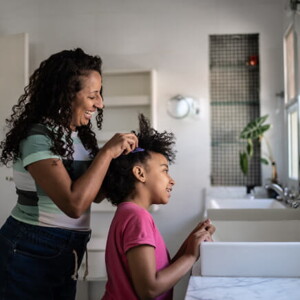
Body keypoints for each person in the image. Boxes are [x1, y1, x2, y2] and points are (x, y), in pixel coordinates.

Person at [0, 48, 138, 300]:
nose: (100, 104)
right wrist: (106, 153)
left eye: (100, 95)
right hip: (31, 248)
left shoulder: (78, 138)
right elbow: (74, 204)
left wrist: (124, 162)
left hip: (67, 249)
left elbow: (93, 195)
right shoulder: (37, 138)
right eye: (93, 96)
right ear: (66, 95)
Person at [101, 114, 215, 300]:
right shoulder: (137, 218)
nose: (172, 180)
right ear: (140, 173)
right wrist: (191, 256)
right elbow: (150, 289)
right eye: (164, 170)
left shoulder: (128, 213)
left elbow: (162, 274)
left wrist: (191, 243)